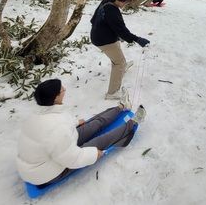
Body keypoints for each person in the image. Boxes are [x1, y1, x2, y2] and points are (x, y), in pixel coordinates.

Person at [16, 79, 146, 187]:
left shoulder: (40, 112)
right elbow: (72, 158)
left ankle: (122, 107)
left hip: (52, 152)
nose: (65, 89)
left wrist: (75, 122)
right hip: (45, 172)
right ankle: (133, 123)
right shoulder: (56, 129)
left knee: (94, 124)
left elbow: (57, 123)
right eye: (62, 89)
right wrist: (94, 154)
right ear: (55, 97)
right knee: (99, 142)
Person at [90, 0, 150, 99]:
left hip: (99, 34)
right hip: (103, 40)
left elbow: (93, 19)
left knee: (117, 50)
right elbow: (122, 31)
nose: (126, 5)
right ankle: (112, 93)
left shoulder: (107, 1)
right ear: (123, 1)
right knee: (119, 63)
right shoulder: (113, 11)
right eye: (127, 3)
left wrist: (105, 28)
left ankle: (122, 67)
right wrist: (137, 39)